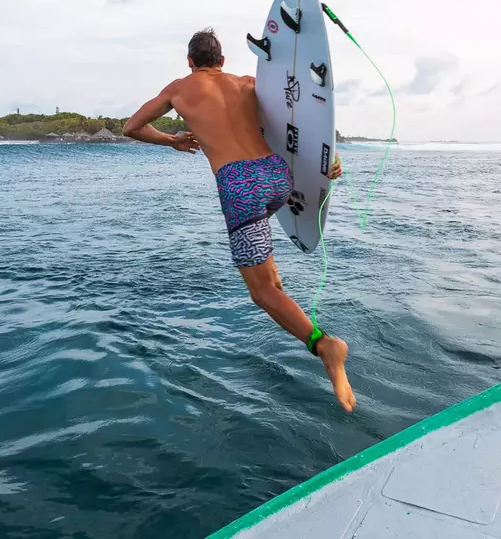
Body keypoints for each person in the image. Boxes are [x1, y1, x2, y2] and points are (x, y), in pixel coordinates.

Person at [122, 28, 356, 413]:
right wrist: (328, 160)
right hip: (277, 176)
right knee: (272, 282)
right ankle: (281, 288)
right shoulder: (249, 84)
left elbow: (131, 127)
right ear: (223, 61)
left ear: (190, 61)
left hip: (240, 187)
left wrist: (174, 140)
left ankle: (324, 345)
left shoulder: (178, 89)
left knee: (262, 294)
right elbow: (301, 122)